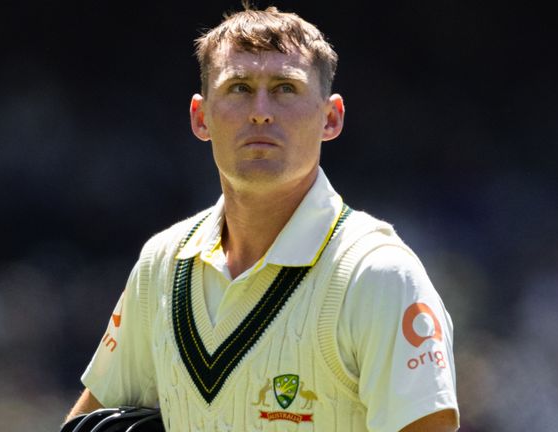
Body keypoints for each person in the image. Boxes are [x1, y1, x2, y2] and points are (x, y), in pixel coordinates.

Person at [66, 4, 459, 431]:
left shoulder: (379, 275)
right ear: (201, 118)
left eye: (285, 88)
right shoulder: (161, 265)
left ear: (331, 117)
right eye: (238, 87)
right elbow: (88, 418)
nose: (260, 111)